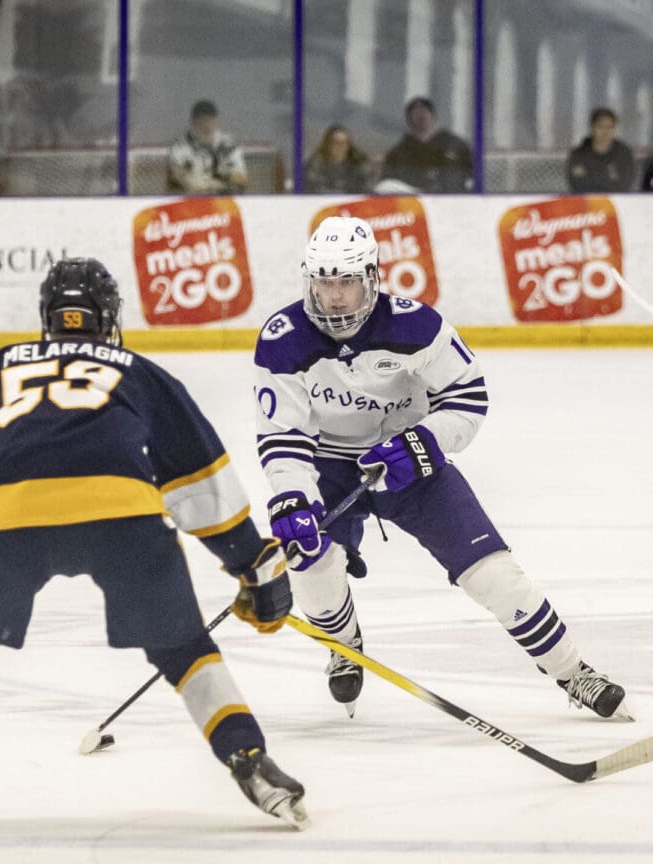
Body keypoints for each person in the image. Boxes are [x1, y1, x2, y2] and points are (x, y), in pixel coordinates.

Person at [0, 258, 306, 831]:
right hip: (122, 516)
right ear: (108, 319)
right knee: (185, 651)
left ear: (48, 316)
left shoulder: (4, 365)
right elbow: (202, 485)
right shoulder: (139, 372)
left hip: (12, 516)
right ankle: (250, 761)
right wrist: (253, 566)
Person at [252, 216, 631, 721]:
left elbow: (468, 398)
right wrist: (293, 497)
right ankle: (344, 647)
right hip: (328, 466)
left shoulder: (417, 326)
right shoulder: (282, 338)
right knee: (311, 568)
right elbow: (283, 436)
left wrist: (423, 442)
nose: (335, 297)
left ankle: (572, 671)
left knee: (494, 574)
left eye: (347, 281)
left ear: (371, 278)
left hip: (409, 463)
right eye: (324, 282)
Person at [378, 96, 473, 193]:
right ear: (408, 120)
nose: (421, 116)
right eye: (416, 113)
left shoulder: (455, 145)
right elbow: (387, 186)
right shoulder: (398, 153)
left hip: (453, 199)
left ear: (433, 115)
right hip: (412, 200)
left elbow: (474, 176)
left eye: (424, 112)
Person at [167, 99, 248, 195]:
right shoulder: (179, 149)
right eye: (201, 121)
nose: (206, 126)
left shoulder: (229, 145)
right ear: (192, 123)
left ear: (216, 121)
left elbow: (240, 181)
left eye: (210, 120)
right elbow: (175, 186)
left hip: (223, 200)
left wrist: (213, 190)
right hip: (191, 201)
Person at [566, 107, 635, 193]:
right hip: (587, 199)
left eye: (609, 127)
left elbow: (624, 184)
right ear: (592, 128)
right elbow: (577, 184)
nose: (605, 132)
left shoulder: (624, 154)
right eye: (600, 127)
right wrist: (607, 178)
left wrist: (592, 176)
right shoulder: (579, 155)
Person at [303, 124, 372, 194]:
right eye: (336, 143)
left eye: (344, 143)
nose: (341, 146)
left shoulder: (359, 164)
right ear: (328, 144)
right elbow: (312, 188)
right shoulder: (315, 165)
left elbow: (365, 189)